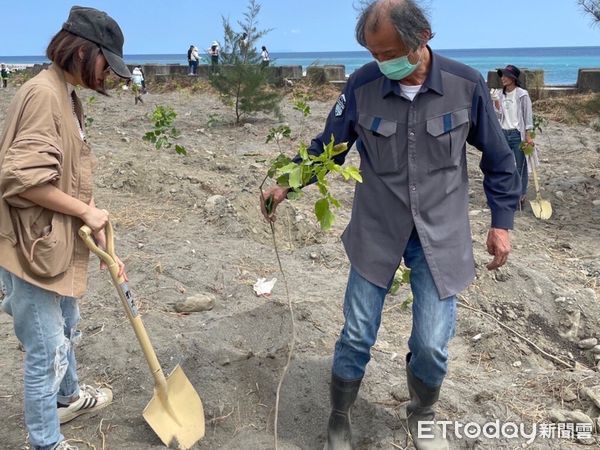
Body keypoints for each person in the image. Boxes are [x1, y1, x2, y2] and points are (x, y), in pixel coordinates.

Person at [260, 1, 520, 449]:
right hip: (377, 228)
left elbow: (499, 160)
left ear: (423, 39)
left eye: (389, 53)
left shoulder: (465, 85)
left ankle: (422, 412)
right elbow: (330, 148)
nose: (382, 63)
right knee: (357, 332)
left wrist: (502, 222)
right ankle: (339, 418)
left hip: (441, 233)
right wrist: (287, 182)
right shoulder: (363, 86)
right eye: (374, 54)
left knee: (432, 344)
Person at [0, 6, 130, 450]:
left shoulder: (67, 95)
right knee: (47, 349)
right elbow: (20, 178)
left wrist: (95, 220)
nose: (109, 76)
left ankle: (68, 397)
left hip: (55, 239)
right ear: (81, 52)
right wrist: (86, 212)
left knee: (68, 324)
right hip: (29, 245)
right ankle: (45, 442)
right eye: (106, 63)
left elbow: (68, 172)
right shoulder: (43, 95)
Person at [492, 65, 534, 209]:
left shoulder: (522, 94)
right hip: (503, 133)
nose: (502, 78)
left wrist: (529, 137)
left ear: (513, 78)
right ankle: (507, 194)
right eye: (501, 75)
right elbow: (496, 116)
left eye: (505, 75)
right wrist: (496, 102)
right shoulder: (499, 94)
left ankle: (521, 196)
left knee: (520, 167)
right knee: (505, 166)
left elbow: (528, 117)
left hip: (517, 134)